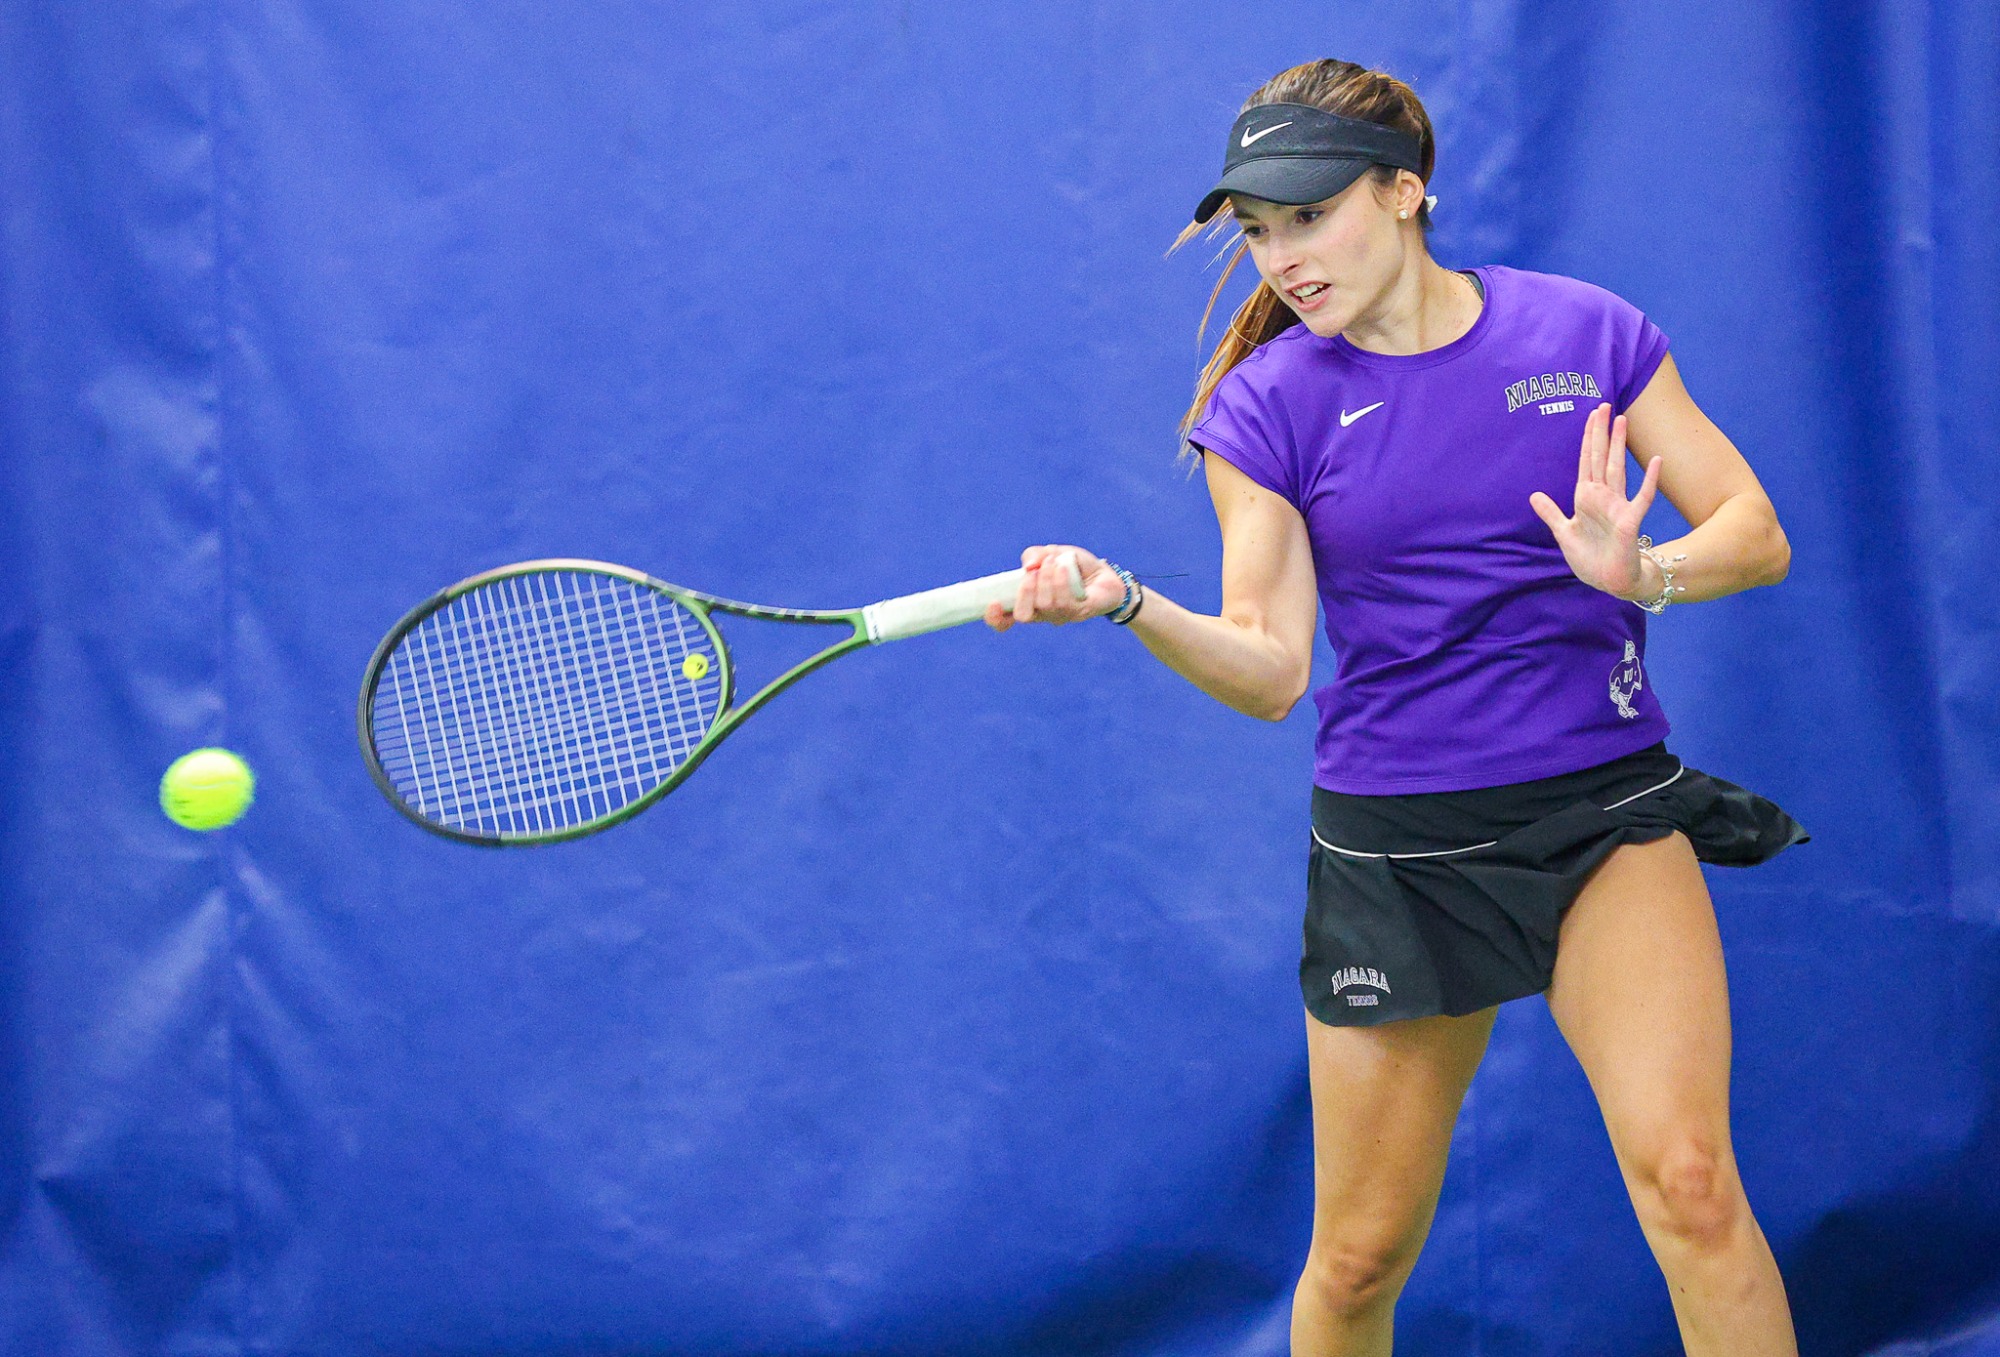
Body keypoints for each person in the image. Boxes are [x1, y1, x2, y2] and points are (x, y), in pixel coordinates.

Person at [986, 58, 1808, 1357]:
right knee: (1359, 1259)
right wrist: (1126, 599)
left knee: (1694, 1188)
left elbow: (1753, 531)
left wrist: (1645, 570)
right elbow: (1270, 667)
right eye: (1259, 230)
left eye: (1309, 214)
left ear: (1407, 191)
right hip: (1398, 853)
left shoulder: (1585, 334)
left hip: (1600, 815)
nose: (1284, 256)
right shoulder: (1264, 409)